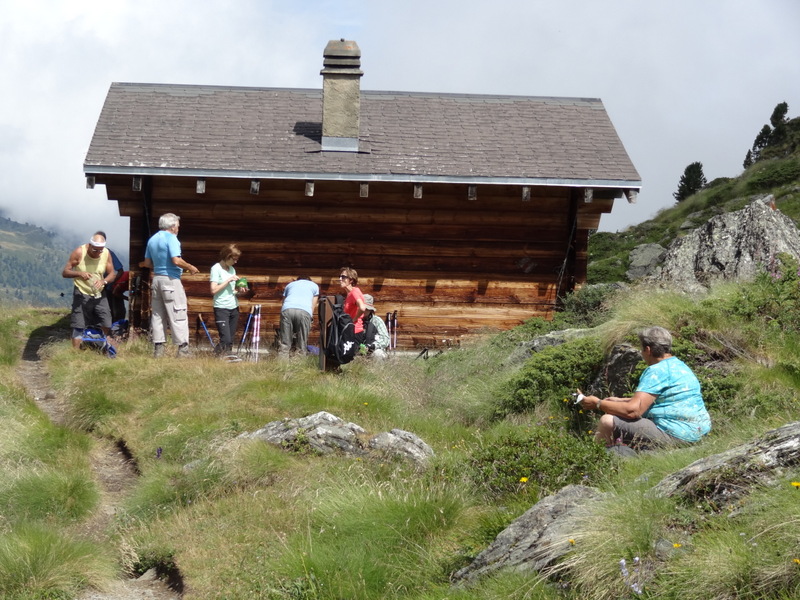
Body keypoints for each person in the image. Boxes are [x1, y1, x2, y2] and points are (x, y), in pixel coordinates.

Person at [579, 326, 711, 450]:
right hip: (698, 431)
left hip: (678, 433)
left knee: (607, 421)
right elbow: (662, 399)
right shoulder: (679, 365)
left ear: (648, 350)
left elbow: (633, 411)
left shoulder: (656, 371)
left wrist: (598, 404)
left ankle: (598, 457)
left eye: (641, 350)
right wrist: (619, 401)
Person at [141, 213, 199, 358]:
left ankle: (158, 350)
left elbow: (147, 263)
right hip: (171, 279)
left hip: (156, 279)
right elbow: (176, 260)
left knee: (157, 314)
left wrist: (158, 265)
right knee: (178, 312)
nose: (178, 228)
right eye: (177, 226)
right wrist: (190, 267)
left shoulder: (152, 239)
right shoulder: (172, 238)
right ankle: (183, 349)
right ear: (172, 226)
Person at [62, 232, 117, 350]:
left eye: (100, 250)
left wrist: (103, 281)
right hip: (81, 291)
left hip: (99, 293)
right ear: (90, 245)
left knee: (106, 322)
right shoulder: (79, 252)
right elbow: (65, 272)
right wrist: (79, 273)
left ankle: (100, 346)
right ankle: (75, 352)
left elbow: (112, 274)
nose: (98, 253)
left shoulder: (106, 253)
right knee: (79, 323)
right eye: (95, 250)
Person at [209, 244, 242, 356]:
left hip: (234, 307)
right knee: (226, 339)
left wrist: (240, 290)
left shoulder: (232, 269)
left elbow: (232, 291)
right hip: (221, 308)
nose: (236, 262)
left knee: (230, 340)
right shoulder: (216, 268)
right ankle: (215, 356)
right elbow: (213, 290)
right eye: (234, 259)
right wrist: (228, 280)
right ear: (227, 256)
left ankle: (227, 357)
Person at [278, 276, 319, 355]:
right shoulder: (314, 285)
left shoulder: (290, 285)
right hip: (304, 311)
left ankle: (282, 360)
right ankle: (299, 360)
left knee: (285, 342)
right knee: (302, 342)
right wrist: (310, 316)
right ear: (309, 280)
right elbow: (313, 304)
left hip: (287, 309)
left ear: (297, 280)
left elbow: (283, 301)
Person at [338, 267, 369, 343]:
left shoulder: (354, 292)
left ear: (351, 280)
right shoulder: (349, 294)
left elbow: (362, 308)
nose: (340, 279)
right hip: (350, 330)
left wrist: (353, 320)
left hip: (355, 331)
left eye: (343, 277)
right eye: (340, 276)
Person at [362, 294, 390, 358]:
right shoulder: (354, 319)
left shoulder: (377, 321)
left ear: (370, 310)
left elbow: (385, 339)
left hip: (372, 350)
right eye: (361, 308)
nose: (363, 310)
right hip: (356, 350)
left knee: (378, 354)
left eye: (366, 309)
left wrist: (372, 346)